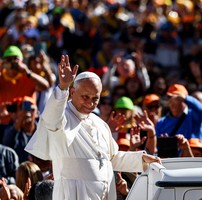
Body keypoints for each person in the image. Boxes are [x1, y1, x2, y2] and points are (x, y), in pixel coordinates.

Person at [25, 55, 160, 200]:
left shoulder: (100, 123)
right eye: (85, 97)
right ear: (72, 92)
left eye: (95, 98)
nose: (90, 103)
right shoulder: (62, 116)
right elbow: (51, 120)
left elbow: (112, 158)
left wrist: (141, 159)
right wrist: (62, 87)